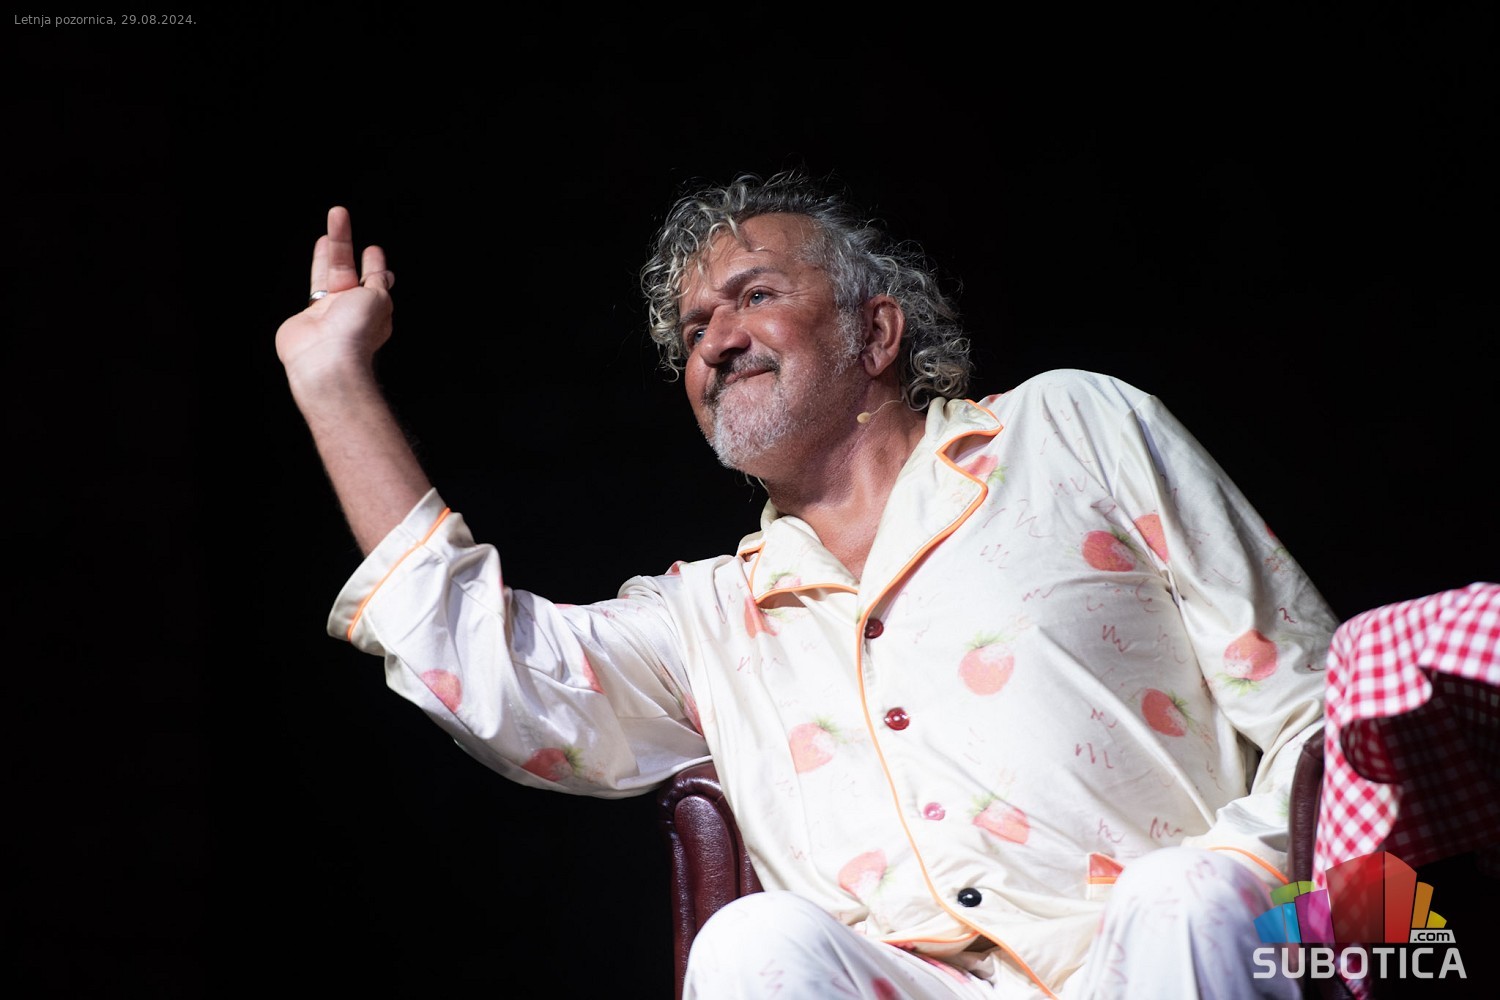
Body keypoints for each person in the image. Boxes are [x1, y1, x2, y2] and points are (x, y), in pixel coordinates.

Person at [276, 171, 1337, 999]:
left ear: (876, 331)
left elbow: (1313, 706)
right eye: (693, 331)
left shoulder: (1073, 429)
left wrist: (1257, 887)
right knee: (752, 942)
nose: (716, 341)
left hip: (1176, 953)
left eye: (755, 296)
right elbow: (489, 669)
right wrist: (335, 385)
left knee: (1186, 894)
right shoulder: (708, 615)